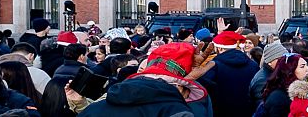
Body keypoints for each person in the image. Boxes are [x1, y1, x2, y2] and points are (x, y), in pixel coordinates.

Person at [79, 42, 213, 117]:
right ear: (179, 87)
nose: (188, 97)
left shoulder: (93, 110)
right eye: (187, 92)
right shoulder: (178, 113)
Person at [201, 31, 259, 117]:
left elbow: (205, 90)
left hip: (221, 112)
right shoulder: (253, 65)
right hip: (248, 111)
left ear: (220, 49)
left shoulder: (214, 66)